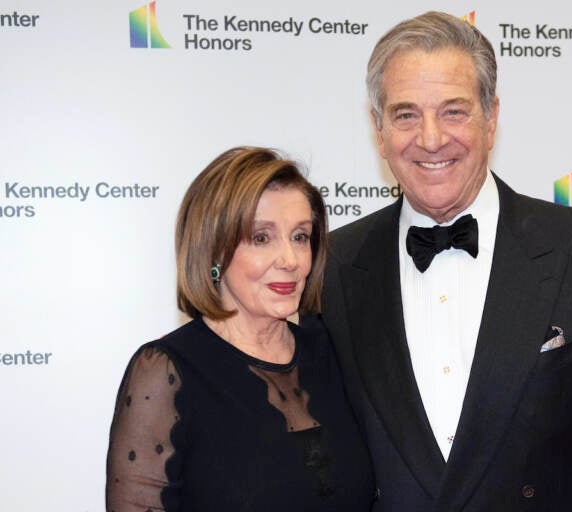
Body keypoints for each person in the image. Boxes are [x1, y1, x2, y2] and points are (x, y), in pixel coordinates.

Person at [318, 11, 572, 511]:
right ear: (378, 129)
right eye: (406, 114)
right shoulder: (329, 267)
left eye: (454, 111)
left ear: (492, 117)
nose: (431, 138)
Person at [106, 147, 374, 511]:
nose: (290, 261)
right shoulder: (167, 371)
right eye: (261, 238)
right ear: (214, 249)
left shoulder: (331, 348)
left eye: (300, 236)